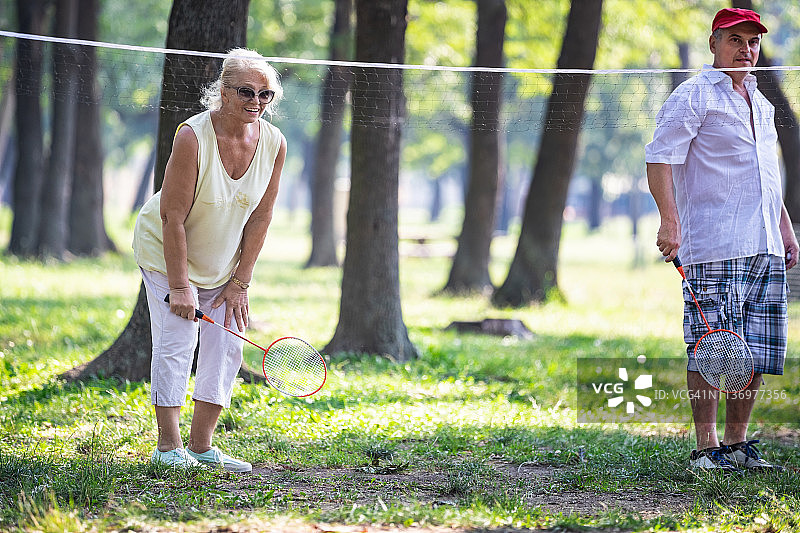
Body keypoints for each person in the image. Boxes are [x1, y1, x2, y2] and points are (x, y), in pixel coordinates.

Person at [645, 8, 798, 472]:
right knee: (710, 345)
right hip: (713, 243)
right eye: (735, 40)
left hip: (764, 244)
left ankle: (737, 444)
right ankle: (705, 447)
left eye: (752, 42)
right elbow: (659, 157)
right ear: (714, 43)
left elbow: (766, 178)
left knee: (752, 346)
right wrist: (669, 221)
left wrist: (786, 230)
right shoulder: (694, 96)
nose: (745, 49)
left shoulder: (763, 104)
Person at [133, 48, 287, 472]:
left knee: (227, 346)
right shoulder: (192, 137)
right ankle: (168, 448)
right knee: (176, 342)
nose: (256, 101)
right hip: (168, 253)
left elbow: (262, 215)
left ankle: (202, 447)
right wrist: (181, 286)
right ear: (223, 91)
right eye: (246, 91)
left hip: (224, 264)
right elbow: (172, 217)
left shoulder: (274, 143)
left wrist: (240, 282)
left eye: (265, 94)